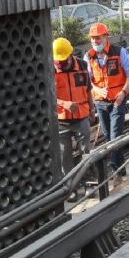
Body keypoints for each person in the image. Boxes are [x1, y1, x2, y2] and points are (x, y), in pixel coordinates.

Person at [84, 23, 129, 186]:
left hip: (117, 101)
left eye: (98, 37)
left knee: (115, 137)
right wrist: (97, 90)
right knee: (108, 137)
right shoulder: (88, 57)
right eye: (92, 38)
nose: (95, 41)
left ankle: (115, 173)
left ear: (106, 37)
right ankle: (121, 168)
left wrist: (123, 92)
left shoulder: (119, 52)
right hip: (100, 102)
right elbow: (88, 82)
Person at [53, 37, 95, 175]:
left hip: (81, 117)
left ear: (70, 56)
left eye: (62, 60)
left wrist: (91, 109)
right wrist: (63, 103)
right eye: (57, 60)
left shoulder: (82, 65)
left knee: (85, 152)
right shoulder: (50, 69)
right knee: (64, 156)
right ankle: (70, 188)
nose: (59, 63)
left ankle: (90, 182)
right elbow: (47, 97)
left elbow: (88, 90)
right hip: (60, 121)